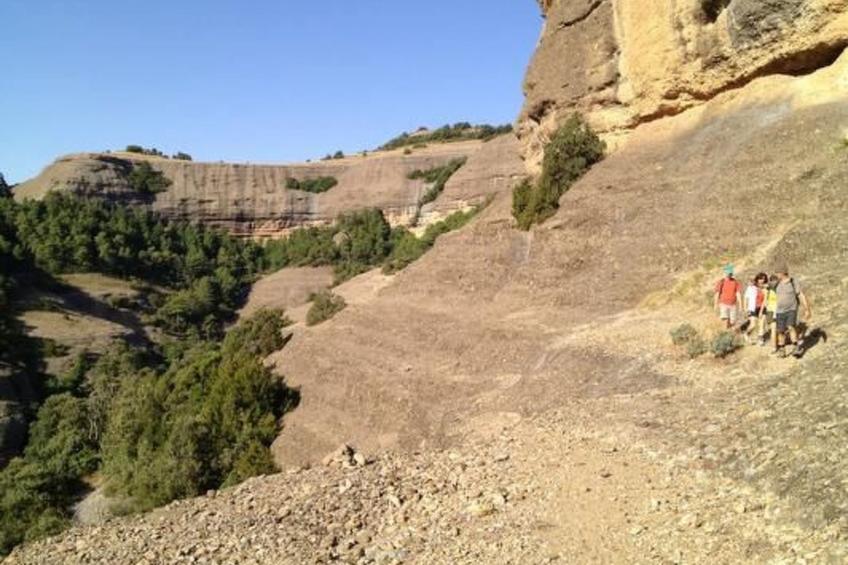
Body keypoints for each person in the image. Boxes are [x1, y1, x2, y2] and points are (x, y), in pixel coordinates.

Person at [773, 265, 812, 358]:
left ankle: (796, 347)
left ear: (782, 273)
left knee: (791, 327)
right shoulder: (776, 283)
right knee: (780, 331)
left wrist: (807, 309)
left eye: (777, 273)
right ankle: (782, 349)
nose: (776, 275)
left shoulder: (793, 282)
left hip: (791, 309)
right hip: (779, 311)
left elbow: (801, 295)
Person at [714, 264, 743, 330]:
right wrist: (715, 304)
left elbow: (738, 293)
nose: (728, 274)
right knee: (725, 319)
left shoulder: (735, 282)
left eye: (730, 273)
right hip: (723, 303)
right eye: (727, 273)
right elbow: (717, 294)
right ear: (724, 273)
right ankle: (725, 333)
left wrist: (740, 305)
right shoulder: (721, 282)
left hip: (733, 304)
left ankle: (730, 332)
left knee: (732, 322)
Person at [743, 272, 768, 344]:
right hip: (753, 308)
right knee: (753, 324)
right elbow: (746, 298)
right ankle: (746, 333)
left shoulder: (765, 289)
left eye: (763, 279)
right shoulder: (752, 287)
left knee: (762, 323)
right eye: (760, 279)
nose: (762, 280)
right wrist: (745, 308)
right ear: (757, 279)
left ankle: (761, 338)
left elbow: (765, 300)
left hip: (762, 307)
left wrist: (761, 311)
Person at [763, 275, 780, 350]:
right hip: (777, 310)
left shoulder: (767, 289)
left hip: (769, 310)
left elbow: (765, 302)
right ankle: (776, 345)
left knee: (773, 329)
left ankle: (774, 347)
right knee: (776, 329)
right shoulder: (779, 289)